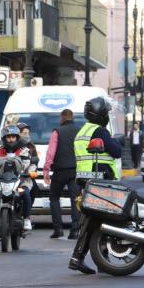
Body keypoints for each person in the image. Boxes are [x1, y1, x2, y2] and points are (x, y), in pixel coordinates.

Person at [68, 97, 122, 275]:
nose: (107, 115)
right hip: (99, 180)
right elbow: (116, 151)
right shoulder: (99, 131)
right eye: (106, 112)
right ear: (100, 114)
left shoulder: (83, 131)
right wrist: (114, 141)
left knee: (96, 221)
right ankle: (96, 258)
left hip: (87, 180)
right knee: (102, 220)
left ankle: (84, 258)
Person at [0, 125, 36, 235]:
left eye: (13, 137)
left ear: (17, 138)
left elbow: (29, 164)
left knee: (26, 193)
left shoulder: (24, 150)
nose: (11, 139)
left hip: (21, 181)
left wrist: (31, 172)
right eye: (8, 137)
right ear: (4, 138)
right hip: (2, 181)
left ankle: (27, 219)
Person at [43, 109, 81, 240]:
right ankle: (75, 230)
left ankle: (58, 229)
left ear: (62, 118)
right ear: (72, 117)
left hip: (60, 170)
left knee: (54, 197)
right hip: (76, 170)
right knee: (76, 200)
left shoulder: (57, 131)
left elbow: (50, 152)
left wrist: (46, 170)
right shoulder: (80, 131)